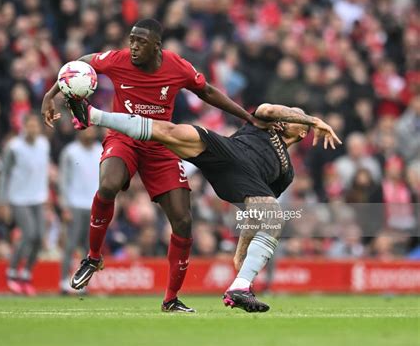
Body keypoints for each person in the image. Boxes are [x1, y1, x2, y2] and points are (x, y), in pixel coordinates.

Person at [41, 18, 260, 312]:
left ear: (156, 46)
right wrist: (51, 94)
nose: (132, 46)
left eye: (140, 42)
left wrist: (246, 116)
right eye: (131, 39)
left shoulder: (177, 66)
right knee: (108, 184)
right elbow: (79, 64)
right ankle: (93, 256)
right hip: (124, 139)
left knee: (183, 221)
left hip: (161, 145)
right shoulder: (117, 60)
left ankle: (170, 299)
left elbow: (206, 91)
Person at [66, 98, 341, 312]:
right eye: (293, 113)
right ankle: (93, 115)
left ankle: (240, 286)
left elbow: (255, 210)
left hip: (241, 181)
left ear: (302, 132)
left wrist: (241, 250)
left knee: (272, 216)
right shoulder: (265, 124)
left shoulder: (288, 172)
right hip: (226, 151)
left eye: (296, 115)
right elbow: (269, 108)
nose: (289, 114)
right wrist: (314, 118)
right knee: (168, 131)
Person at [0, 113, 50, 296]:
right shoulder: (14, 147)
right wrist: (2, 201)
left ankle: (26, 274)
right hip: (18, 198)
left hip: (39, 198)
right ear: (23, 127)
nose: (33, 129)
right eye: (30, 125)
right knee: (29, 234)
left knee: (39, 238)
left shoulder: (44, 145)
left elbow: (43, 172)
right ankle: (11, 272)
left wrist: (48, 197)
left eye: (36, 125)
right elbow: (4, 174)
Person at [58, 127, 101, 294]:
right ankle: (63, 281)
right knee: (70, 244)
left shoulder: (100, 150)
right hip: (75, 204)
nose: (89, 132)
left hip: (94, 206)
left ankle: (82, 283)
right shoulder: (70, 152)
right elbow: (63, 180)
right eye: (86, 129)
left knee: (88, 248)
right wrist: (65, 206)